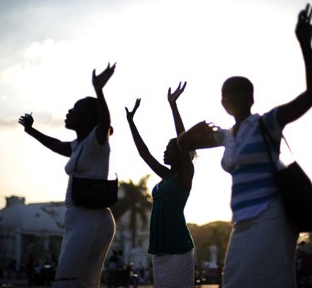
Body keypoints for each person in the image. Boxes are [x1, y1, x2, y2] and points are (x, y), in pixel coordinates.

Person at [178, 4, 312, 287]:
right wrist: (190, 133)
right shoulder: (228, 135)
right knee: (233, 281)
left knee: (273, 281)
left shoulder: (266, 122)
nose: (226, 98)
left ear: (250, 96)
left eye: (233, 91)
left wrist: (305, 45)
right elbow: (183, 145)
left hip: (272, 215)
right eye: (223, 94)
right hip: (241, 222)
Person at [18, 63, 117, 288]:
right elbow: (56, 145)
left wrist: (99, 91)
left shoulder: (97, 142)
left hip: (92, 220)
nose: (69, 111)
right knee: (79, 282)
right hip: (76, 220)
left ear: (89, 117)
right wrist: (31, 130)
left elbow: (104, 123)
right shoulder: (78, 145)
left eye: (76, 108)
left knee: (66, 281)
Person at [126, 82, 195, 288]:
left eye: (168, 149)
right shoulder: (165, 176)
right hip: (160, 250)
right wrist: (131, 122)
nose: (164, 152)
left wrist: (173, 106)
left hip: (178, 248)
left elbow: (183, 141)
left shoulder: (185, 175)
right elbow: (144, 153)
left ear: (180, 152)